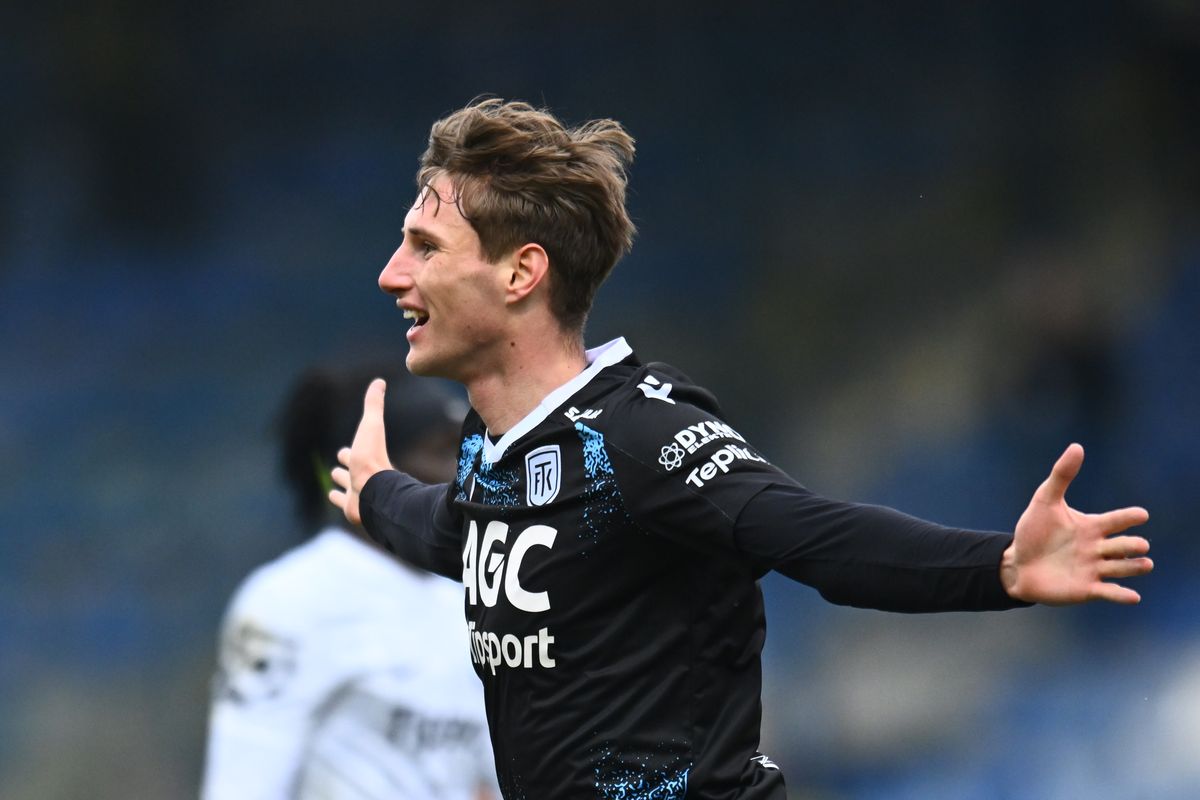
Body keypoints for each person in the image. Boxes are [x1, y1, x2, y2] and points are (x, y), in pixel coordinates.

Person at [328, 98, 1153, 799]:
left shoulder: (634, 435)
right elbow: (457, 532)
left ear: (521, 273)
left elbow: (808, 534)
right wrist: (377, 493)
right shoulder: (494, 451)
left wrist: (999, 566)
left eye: (425, 247)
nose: (392, 274)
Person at [201, 361, 498, 800]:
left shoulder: (478, 598)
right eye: (442, 450)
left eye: (472, 452)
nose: (466, 474)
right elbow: (243, 785)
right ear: (370, 469)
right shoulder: (290, 599)